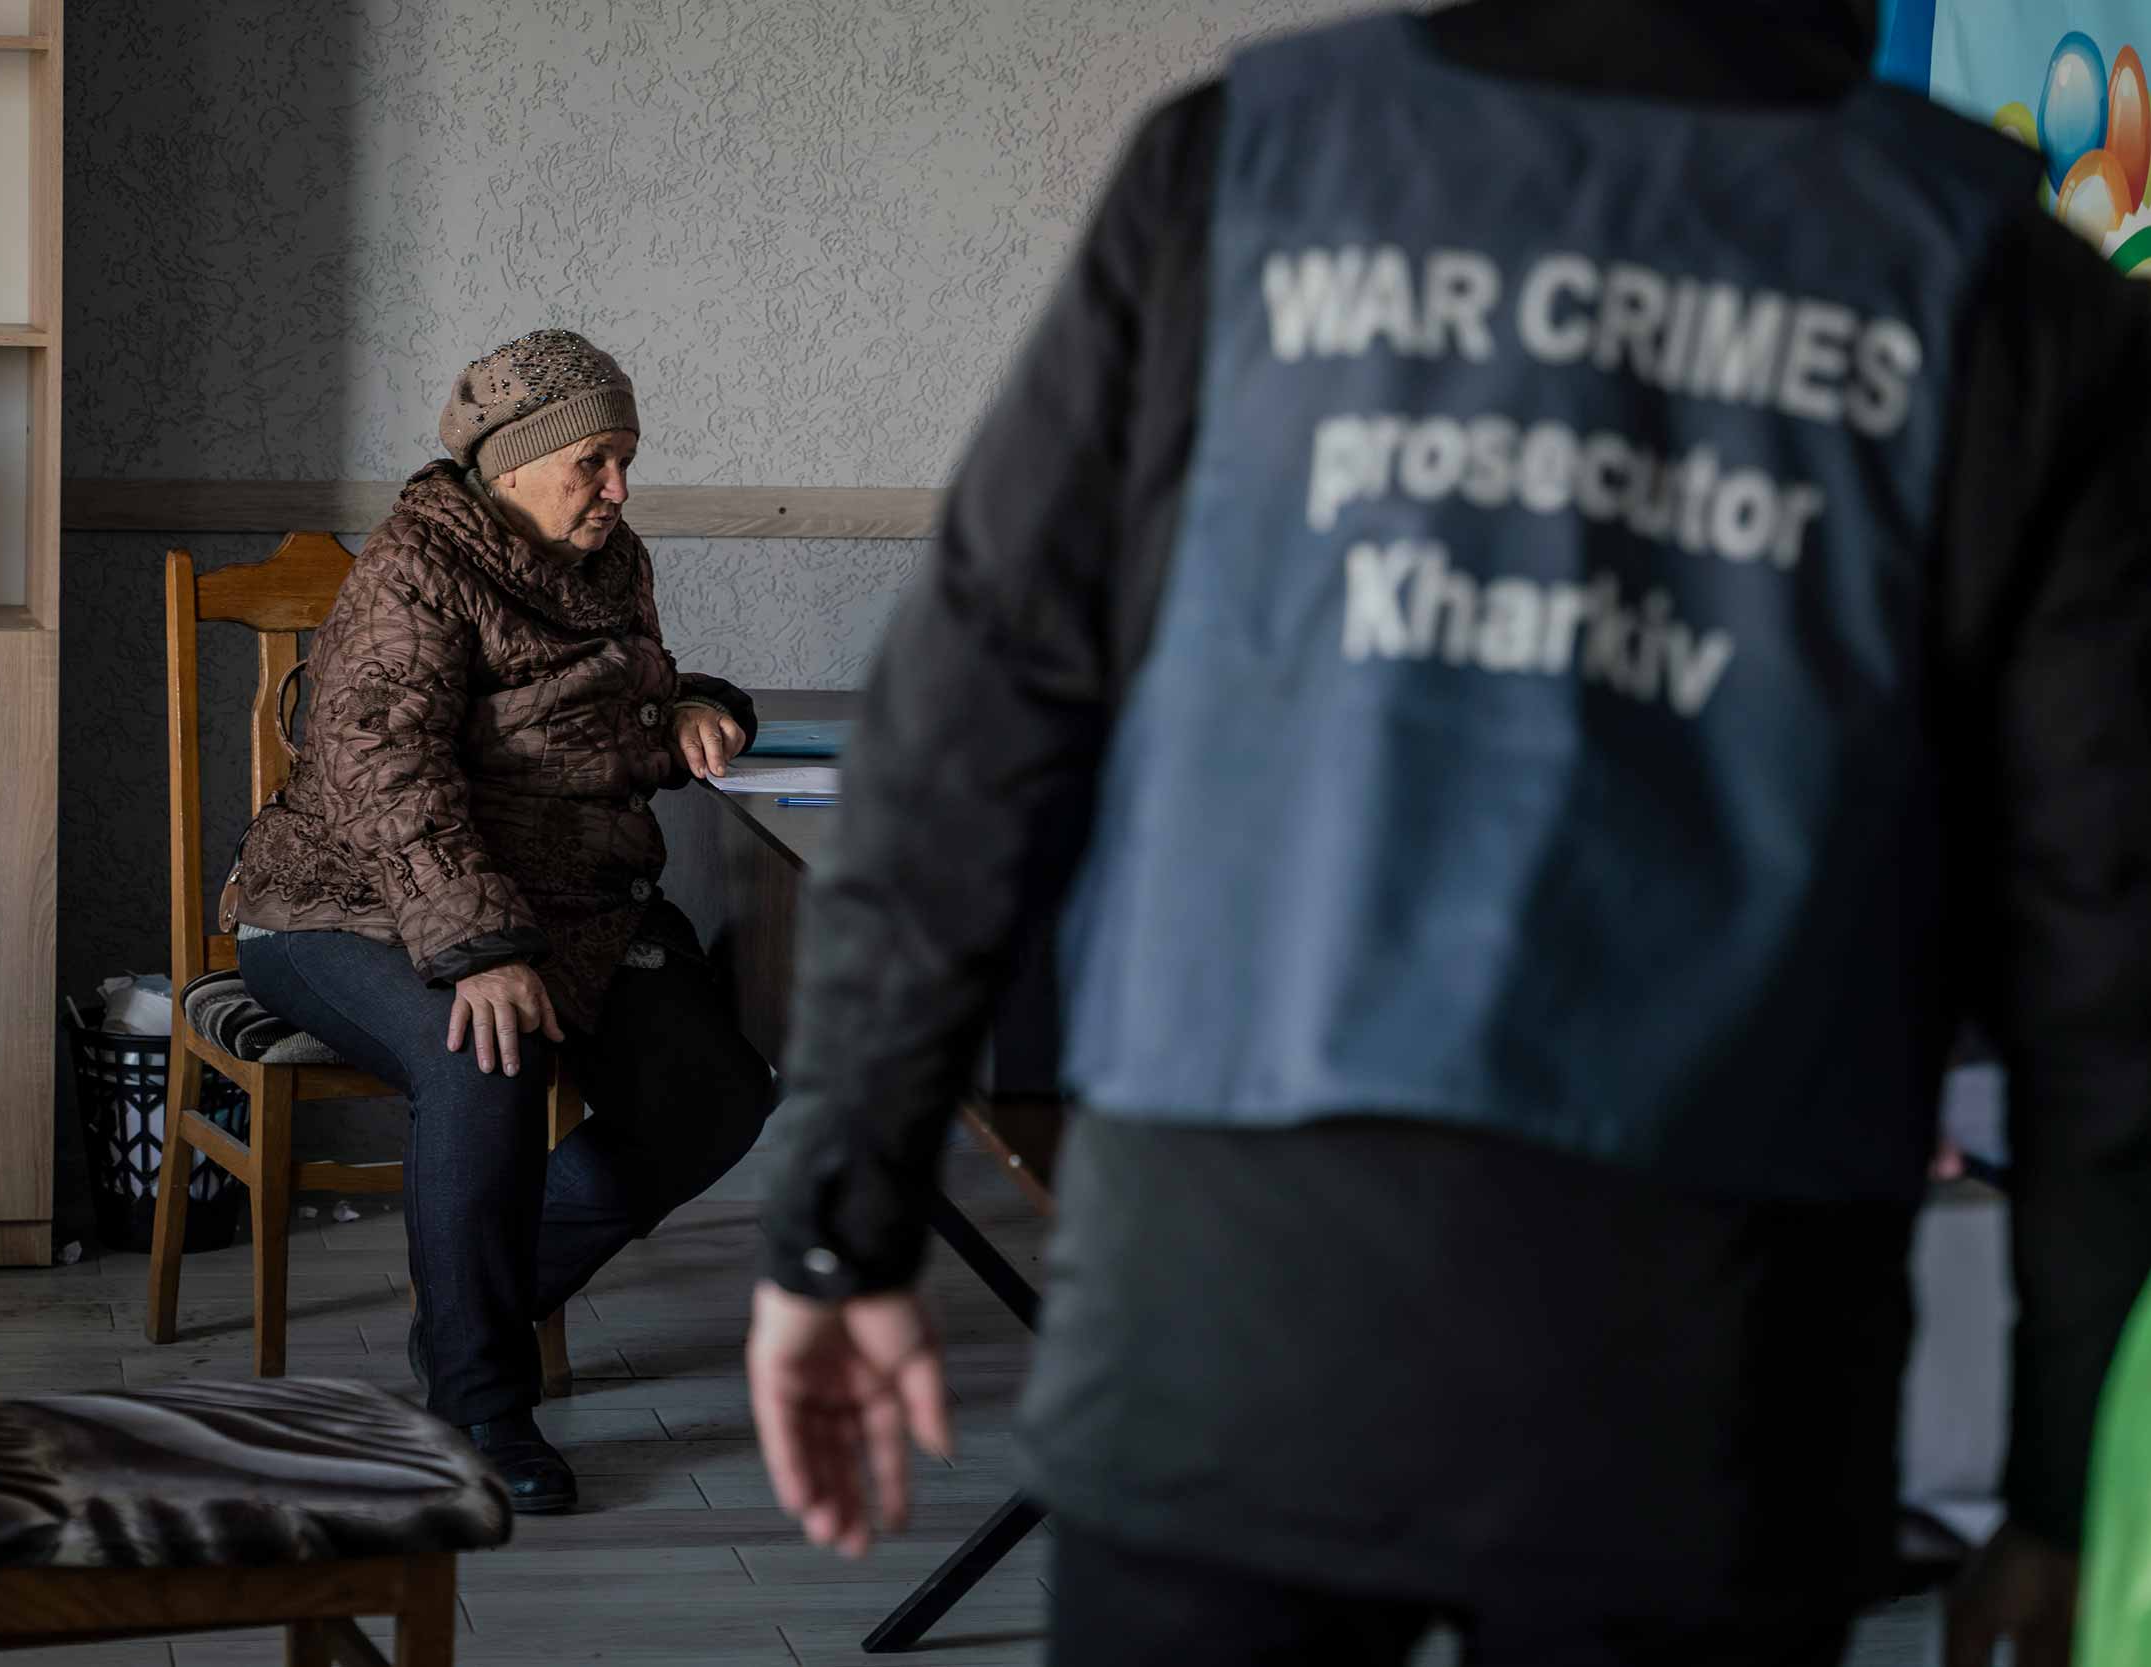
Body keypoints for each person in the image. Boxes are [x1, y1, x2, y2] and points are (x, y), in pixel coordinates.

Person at [744, 2, 2151, 1662]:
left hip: (1229, 1307)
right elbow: (2103, 944)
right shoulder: (1997, 266)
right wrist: (2068, 1482)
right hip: (1717, 1350)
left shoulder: (1246, 159)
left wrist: (844, 1214)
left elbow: (962, 733)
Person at [230, 329, 776, 1513]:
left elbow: (617, 694)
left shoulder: (608, 557)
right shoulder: (416, 563)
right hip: (350, 901)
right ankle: (478, 1399)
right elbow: (382, 767)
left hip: (574, 901)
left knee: (718, 1091)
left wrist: (691, 701)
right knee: (482, 1056)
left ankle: (466, 1305)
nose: (618, 488)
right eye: (594, 460)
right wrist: (479, 947)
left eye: (625, 458)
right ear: (515, 464)